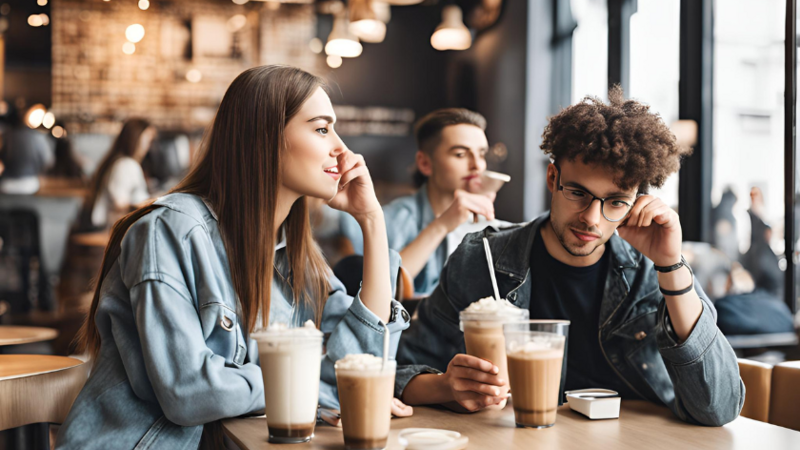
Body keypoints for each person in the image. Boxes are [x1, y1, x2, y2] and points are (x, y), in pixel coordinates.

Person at [56, 65, 411, 449]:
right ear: (265, 137)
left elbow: (358, 364)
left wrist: (372, 223)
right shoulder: (171, 230)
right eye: (322, 129)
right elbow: (189, 392)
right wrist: (307, 382)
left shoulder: (296, 256)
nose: (342, 150)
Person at [395, 87, 745, 426]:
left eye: (616, 201)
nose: (592, 218)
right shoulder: (483, 258)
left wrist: (671, 264)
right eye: (578, 192)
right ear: (552, 177)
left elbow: (720, 407)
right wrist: (445, 386)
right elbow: (395, 370)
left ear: (634, 202)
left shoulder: (651, 271)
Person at [342, 108, 509, 297]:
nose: (477, 166)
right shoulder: (393, 219)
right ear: (425, 164)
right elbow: (381, 290)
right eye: (461, 154)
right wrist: (441, 225)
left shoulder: (488, 226)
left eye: (481, 154)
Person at [77, 118, 156, 230]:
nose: (149, 147)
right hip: (108, 230)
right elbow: (119, 204)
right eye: (148, 140)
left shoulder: (120, 162)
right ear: (137, 139)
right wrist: (150, 204)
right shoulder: (125, 165)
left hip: (108, 228)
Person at [0, 106, 53, 194]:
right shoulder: (37, 136)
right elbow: (48, 161)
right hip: (30, 184)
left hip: (7, 184)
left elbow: (2, 156)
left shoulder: (6, 136)